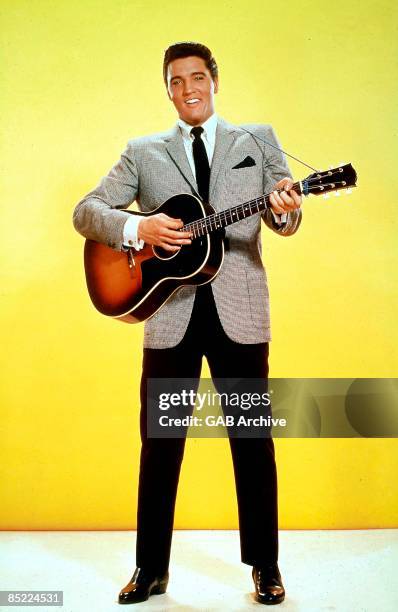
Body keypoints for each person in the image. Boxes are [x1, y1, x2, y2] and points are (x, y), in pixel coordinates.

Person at [73, 41, 302, 606]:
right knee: (161, 444)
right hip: (168, 314)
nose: (188, 88)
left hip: (239, 313)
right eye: (176, 81)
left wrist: (286, 207)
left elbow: (286, 221)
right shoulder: (144, 151)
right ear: (168, 89)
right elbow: (87, 210)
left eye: (197, 77)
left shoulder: (259, 140)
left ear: (214, 81)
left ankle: (266, 568)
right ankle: (151, 570)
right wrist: (138, 230)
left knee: (252, 441)